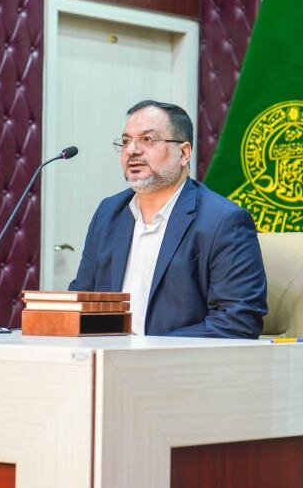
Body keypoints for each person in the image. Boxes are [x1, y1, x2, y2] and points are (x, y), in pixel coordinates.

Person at [68, 100, 268, 338]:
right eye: (126, 141)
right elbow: (81, 300)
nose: (132, 150)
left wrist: (151, 349)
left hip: (174, 359)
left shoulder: (223, 221)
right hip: (107, 355)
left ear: (183, 153)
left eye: (148, 139)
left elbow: (238, 320)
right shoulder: (109, 213)